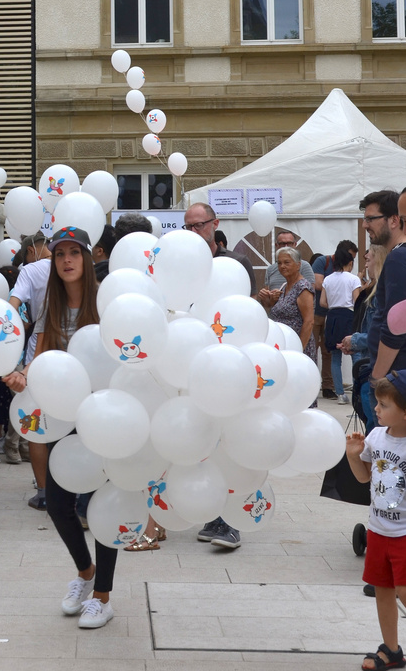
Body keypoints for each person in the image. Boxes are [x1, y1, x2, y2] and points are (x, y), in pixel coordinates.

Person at [5, 226, 117, 629]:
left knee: (103, 507)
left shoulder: (105, 303)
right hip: (64, 420)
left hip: (104, 416)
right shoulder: (50, 306)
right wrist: (22, 375)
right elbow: (41, 357)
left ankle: (103, 595)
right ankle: (85, 574)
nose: (66, 260)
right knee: (56, 504)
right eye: (58, 254)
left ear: (87, 258)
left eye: (74, 253)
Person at [346, 371, 406, 671]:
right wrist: (354, 455)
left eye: (383, 404)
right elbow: (363, 478)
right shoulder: (375, 436)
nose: (376, 409)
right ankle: (391, 651)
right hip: (378, 529)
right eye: (377, 403)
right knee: (382, 590)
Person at [184, 200, 257, 550]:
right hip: (194, 365)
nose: (194, 232)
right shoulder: (181, 263)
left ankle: (231, 522)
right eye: (188, 227)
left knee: (231, 443)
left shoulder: (235, 263)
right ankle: (212, 513)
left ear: (215, 224)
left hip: (231, 364)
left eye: (199, 225)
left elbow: (249, 313)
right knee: (204, 443)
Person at [361, 189, 406, 436]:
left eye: (371, 219)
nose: (365, 225)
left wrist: (378, 376)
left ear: (394, 220)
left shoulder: (400, 258)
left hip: (401, 372)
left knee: (398, 455)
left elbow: (396, 327)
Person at [9, 231, 52, 507]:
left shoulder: (30, 270)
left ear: (31, 250)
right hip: (75, 347)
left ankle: (44, 492)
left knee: (37, 420)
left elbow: (12, 306)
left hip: (39, 344)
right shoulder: (76, 264)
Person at [340, 245, 387, 432]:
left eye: (368, 259)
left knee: (375, 426)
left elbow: (382, 334)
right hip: (367, 361)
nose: (365, 261)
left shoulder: (380, 294)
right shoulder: (373, 289)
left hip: (374, 367)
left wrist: (356, 340)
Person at [312, 239, 358, 398]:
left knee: (334, 356)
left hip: (330, 316)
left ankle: (339, 393)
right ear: (349, 262)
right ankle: (356, 393)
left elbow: (322, 302)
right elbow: (357, 301)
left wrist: (334, 303)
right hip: (348, 316)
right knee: (354, 355)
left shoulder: (328, 279)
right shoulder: (353, 279)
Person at [270, 247, 317, 360]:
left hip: (299, 347)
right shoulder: (285, 286)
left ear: (298, 265)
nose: (282, 266)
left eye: (287, 262)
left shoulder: (303, 287)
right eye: (279, 263)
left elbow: (309, 321)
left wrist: (299, 349)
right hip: (284, 345)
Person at [259, 230, 315, 304]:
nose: (286, 246)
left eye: (289, 243)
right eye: (282, 244)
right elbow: (267, 304)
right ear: (276, 246)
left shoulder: (304, 266)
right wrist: (267, 297)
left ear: (295, 244)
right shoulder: (270, 269)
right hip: (275, 314)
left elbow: (311, 296)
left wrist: (283, 296)